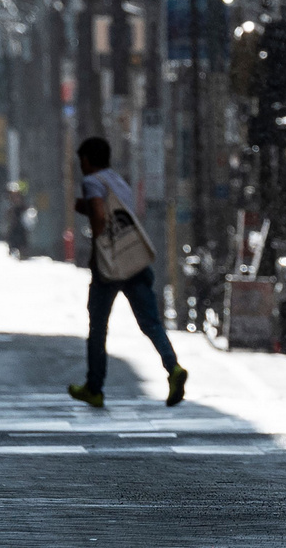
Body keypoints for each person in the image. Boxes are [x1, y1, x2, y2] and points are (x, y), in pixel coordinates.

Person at [68, 137, 188, 408]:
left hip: (109, 266)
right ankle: (173, 368)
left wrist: (99, 247)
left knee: (98, 328)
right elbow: (115, 213)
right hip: (134, 261)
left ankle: (94, 387)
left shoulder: (92, 182)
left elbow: (100, 216)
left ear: (87, 160)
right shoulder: (119, 182)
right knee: (151, 323)